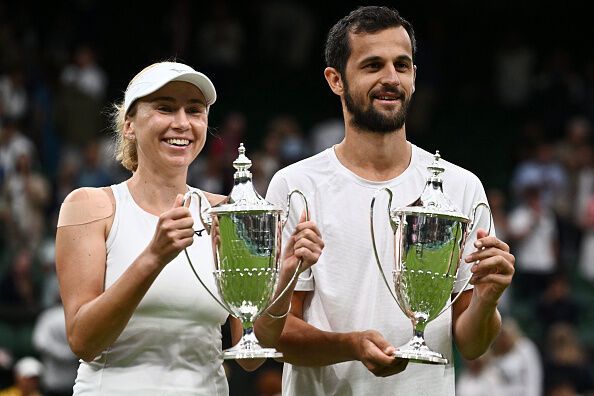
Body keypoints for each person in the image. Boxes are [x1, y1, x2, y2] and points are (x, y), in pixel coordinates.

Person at [265, 6, 515, 395]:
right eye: (372, 66)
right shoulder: (296, 185)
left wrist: (486, 300)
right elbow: (276, 333)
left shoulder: (461, 187)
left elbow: (472, 343)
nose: (390, 79)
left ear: (415, 76)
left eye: (402, 65)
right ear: (336, 80)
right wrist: (349, 345)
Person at [55, 61, 324, 395]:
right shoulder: (90, 206)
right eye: (165, 108)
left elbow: (251, 354)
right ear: (129, 125)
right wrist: (153, 258)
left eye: (194, 111)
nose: (181, 123)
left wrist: (286, 276)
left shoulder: (228, 211)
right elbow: (83, 341)